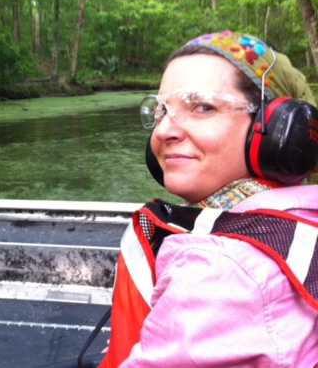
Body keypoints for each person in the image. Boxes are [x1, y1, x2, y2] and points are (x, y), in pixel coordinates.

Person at [100, 31, 318, 367]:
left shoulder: (220, 271)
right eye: (161, 111)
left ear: (279, 131)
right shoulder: (301, 215)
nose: (161, 132)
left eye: (202, 106)